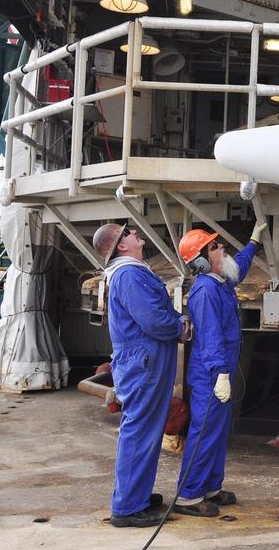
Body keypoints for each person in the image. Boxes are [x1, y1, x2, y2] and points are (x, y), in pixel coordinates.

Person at [171, 220, 268, 517]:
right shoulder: (205, 292)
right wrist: (220, 374)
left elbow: (236, 267)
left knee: (218, 432)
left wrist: (252, 243)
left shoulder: (221, 281)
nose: (221, 245)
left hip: (219, 371)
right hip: (211, 375)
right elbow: (211, 336)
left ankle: (210, 487)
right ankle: (188, 496)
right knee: (204, 433)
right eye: (214, 246)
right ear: (202, 260)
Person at [93, 222, 185, 528]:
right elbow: (153, 320)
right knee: (141, 432)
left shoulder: (131, 271)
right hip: (144, 362)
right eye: (130, 232)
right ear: (121, 245)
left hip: (144, 360)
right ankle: (129, 507)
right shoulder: (130, 275)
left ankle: (138, 496)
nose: (136, 233)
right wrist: (180, 327)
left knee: (146, 431)